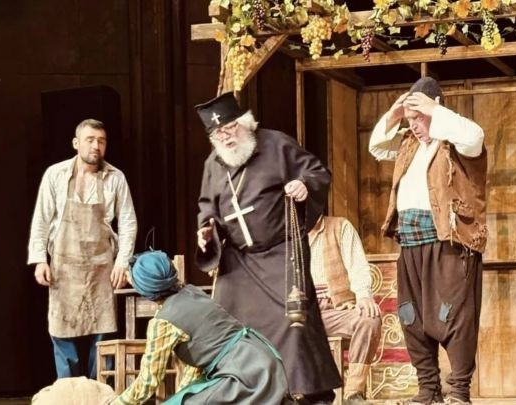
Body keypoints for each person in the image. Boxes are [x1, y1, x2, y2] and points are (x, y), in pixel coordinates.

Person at [194, 92, 341, 404]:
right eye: (218, 134)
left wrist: (303, 185)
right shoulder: (213, 164)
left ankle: (310, 394)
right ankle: (243, 392)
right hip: (239, 261)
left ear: (245, 123)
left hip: (279, 254)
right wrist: (205, 231)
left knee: (294, 323)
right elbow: (207, 208)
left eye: (230, 128)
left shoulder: (276, 144)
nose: (226, 137)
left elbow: (318, 173)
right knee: (228, 324)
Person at [368, 77, 488, 405]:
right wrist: (394, 115)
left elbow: (475, 136)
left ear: (436, 108)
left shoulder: (456, 142)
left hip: (449, 242)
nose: (414, 126)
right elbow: (377, 146)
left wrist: (434, 111)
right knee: (412, 316)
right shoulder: (409, 144)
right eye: (411, 120)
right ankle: (428, 390)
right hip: (411, 242)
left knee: (455, 316)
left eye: (419, 118)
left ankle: (459, 392)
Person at [27, 119, 137, 380]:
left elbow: (128, 222)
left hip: (102, 268)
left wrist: (122, 262)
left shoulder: (115, 177)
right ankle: (69, 394)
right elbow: (42, 219)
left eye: (101, 141)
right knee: (62, 334)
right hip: (64, 267)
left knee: (102, 338)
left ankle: (98, 393)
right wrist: (40, 260)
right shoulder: (55, 174)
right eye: (90, 140)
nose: (96, 146)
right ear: (76, 143)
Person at [111, 250, 289, 405]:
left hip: (243, 375)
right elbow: (197, 364)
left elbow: (148, 381)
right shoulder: (191, 292)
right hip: (262, 359)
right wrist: (182, 394)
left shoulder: (163, 322)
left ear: (144, 288)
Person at [308, 215, 382, 403]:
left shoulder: (339, 226)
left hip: (336, 309)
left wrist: (363, 295)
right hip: (303, 313)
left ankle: (353, 393)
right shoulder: (286, 233)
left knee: (369, 319)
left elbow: (357, 265)